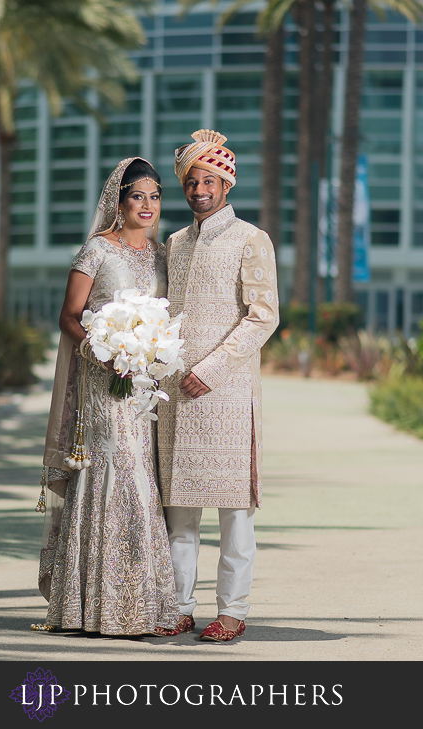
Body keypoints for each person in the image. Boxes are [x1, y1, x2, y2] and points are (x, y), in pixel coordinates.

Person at [36, 157, 179, 636]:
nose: (148, 205)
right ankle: (95, 605)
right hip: (102, 378)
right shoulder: (98, 249)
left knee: (140, 471)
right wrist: (102, 352)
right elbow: (69, 315)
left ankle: (137, 603)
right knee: (117, 468)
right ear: (119, 202)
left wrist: (152, 353)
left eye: (155, 196)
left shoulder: (162, 255)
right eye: (138, 196)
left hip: (143, 384)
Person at [155, 130, 280, 642]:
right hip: (175, 395)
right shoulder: (175, 243)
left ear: (226, 184)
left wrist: (210, 370)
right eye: (191, 181)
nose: (199, 189)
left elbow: (263, 316)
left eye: (209, 180)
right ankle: (179, 606)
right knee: (178, 514)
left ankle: (232, 610)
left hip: (225, 394)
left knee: (234, 514)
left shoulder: (251, 238)